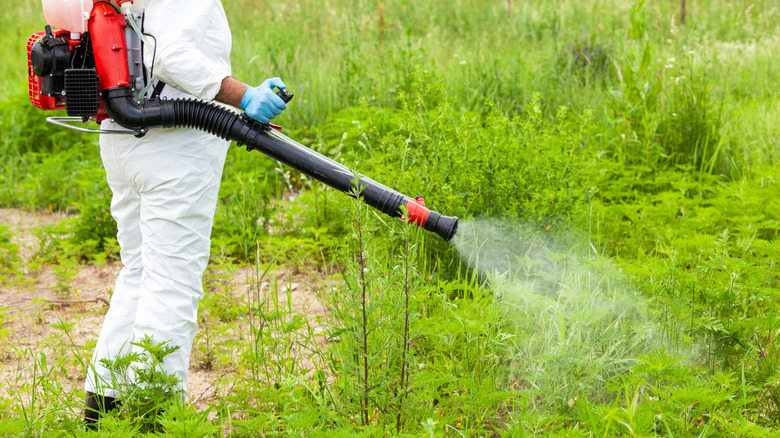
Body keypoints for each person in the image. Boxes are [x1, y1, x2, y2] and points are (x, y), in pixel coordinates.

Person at [83, 0, 287, 426]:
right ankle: (153, 420)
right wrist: (244, 95)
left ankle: (102, 414)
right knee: (171, 283)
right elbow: (168, 53)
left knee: (139, 273)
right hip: (171, 146)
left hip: (125, 137)